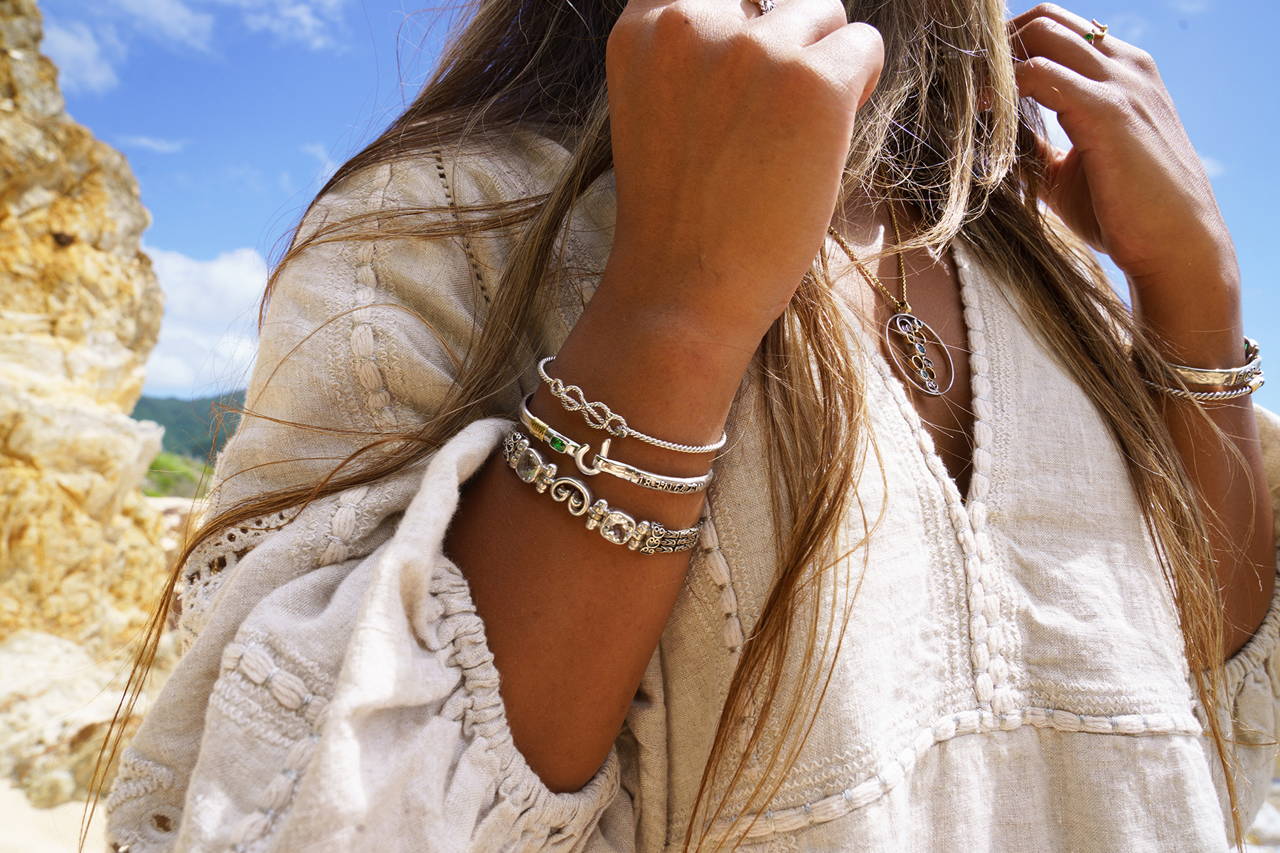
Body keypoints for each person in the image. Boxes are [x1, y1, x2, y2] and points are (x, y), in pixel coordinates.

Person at [99, 0, 1280, 850]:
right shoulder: (437, 228)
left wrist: (1193, 302)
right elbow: (316, 818)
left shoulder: (1046, 254)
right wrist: (671, 313)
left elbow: (1217, 715)